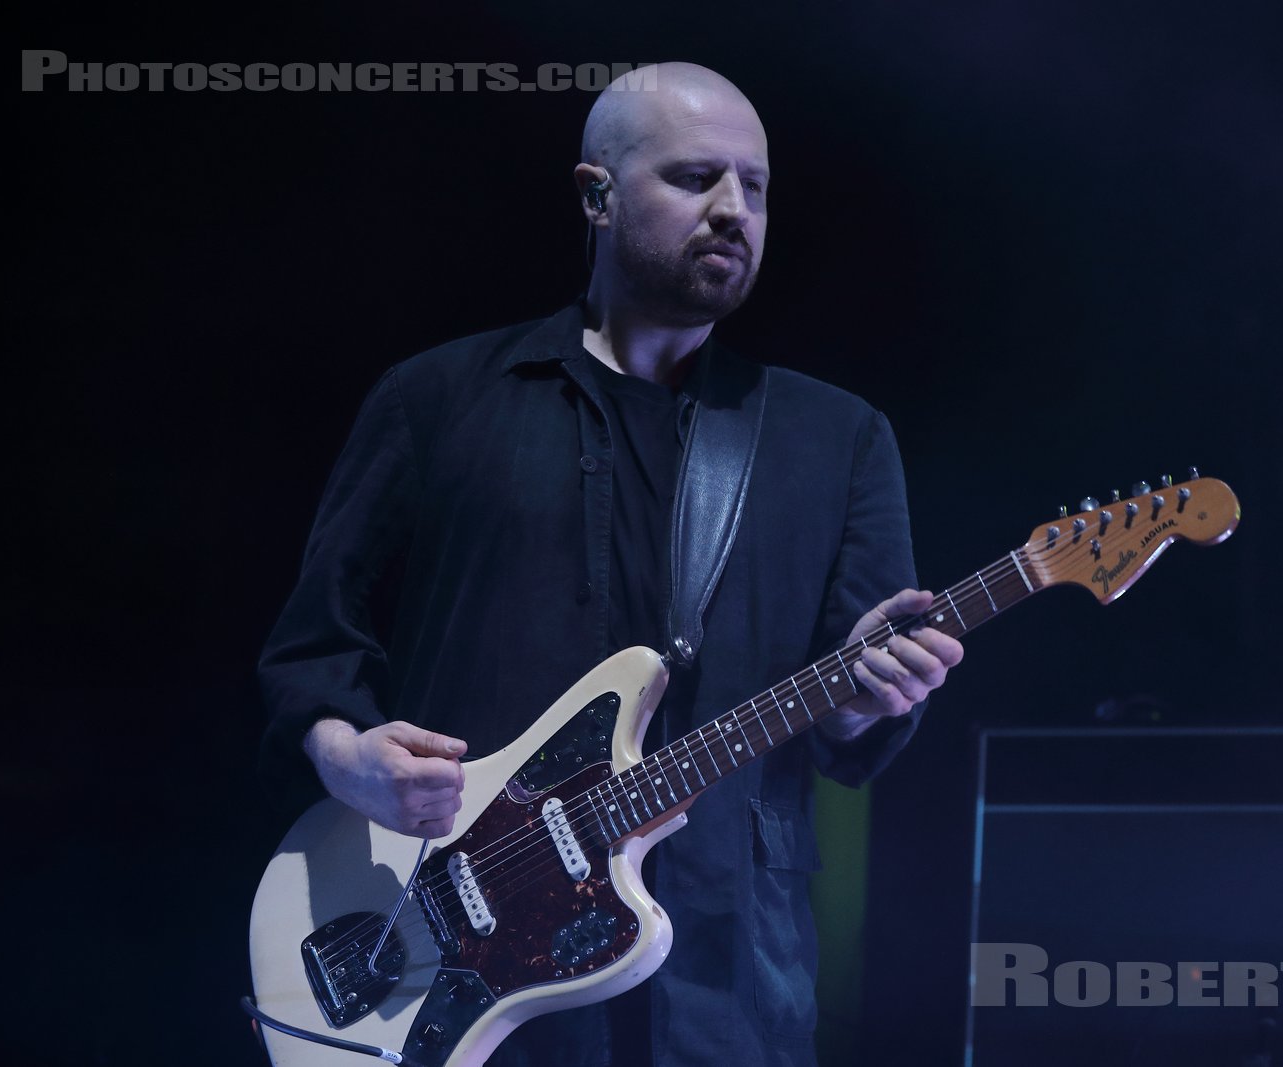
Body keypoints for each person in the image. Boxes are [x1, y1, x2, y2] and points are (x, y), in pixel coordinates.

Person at [258, 62, 963, 1067]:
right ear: (596, 195)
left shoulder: (836, 436)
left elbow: (848, 735)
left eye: (754, 187)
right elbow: (310, 651)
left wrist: (870, 692)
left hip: (724, 989)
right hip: (457, 968)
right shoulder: (437, 400)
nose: (733, 210)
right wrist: (350, 758)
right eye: (695, 178)